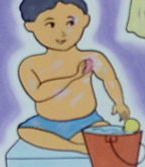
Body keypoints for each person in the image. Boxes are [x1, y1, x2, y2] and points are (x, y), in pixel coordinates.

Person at [14, 0, 133, 155]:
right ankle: (75, 147)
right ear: (30, 26)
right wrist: (73, 77)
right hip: (46, 124)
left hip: (87, 122)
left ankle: (76, 142)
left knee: (102, 132)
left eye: (70, 23)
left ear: (85, 20)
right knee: (25, 132)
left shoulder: (91, 57)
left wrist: (119, 102)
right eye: (50, 24)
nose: (62, 32)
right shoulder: (29, 64)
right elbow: (38, 94)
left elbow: (109, 79)